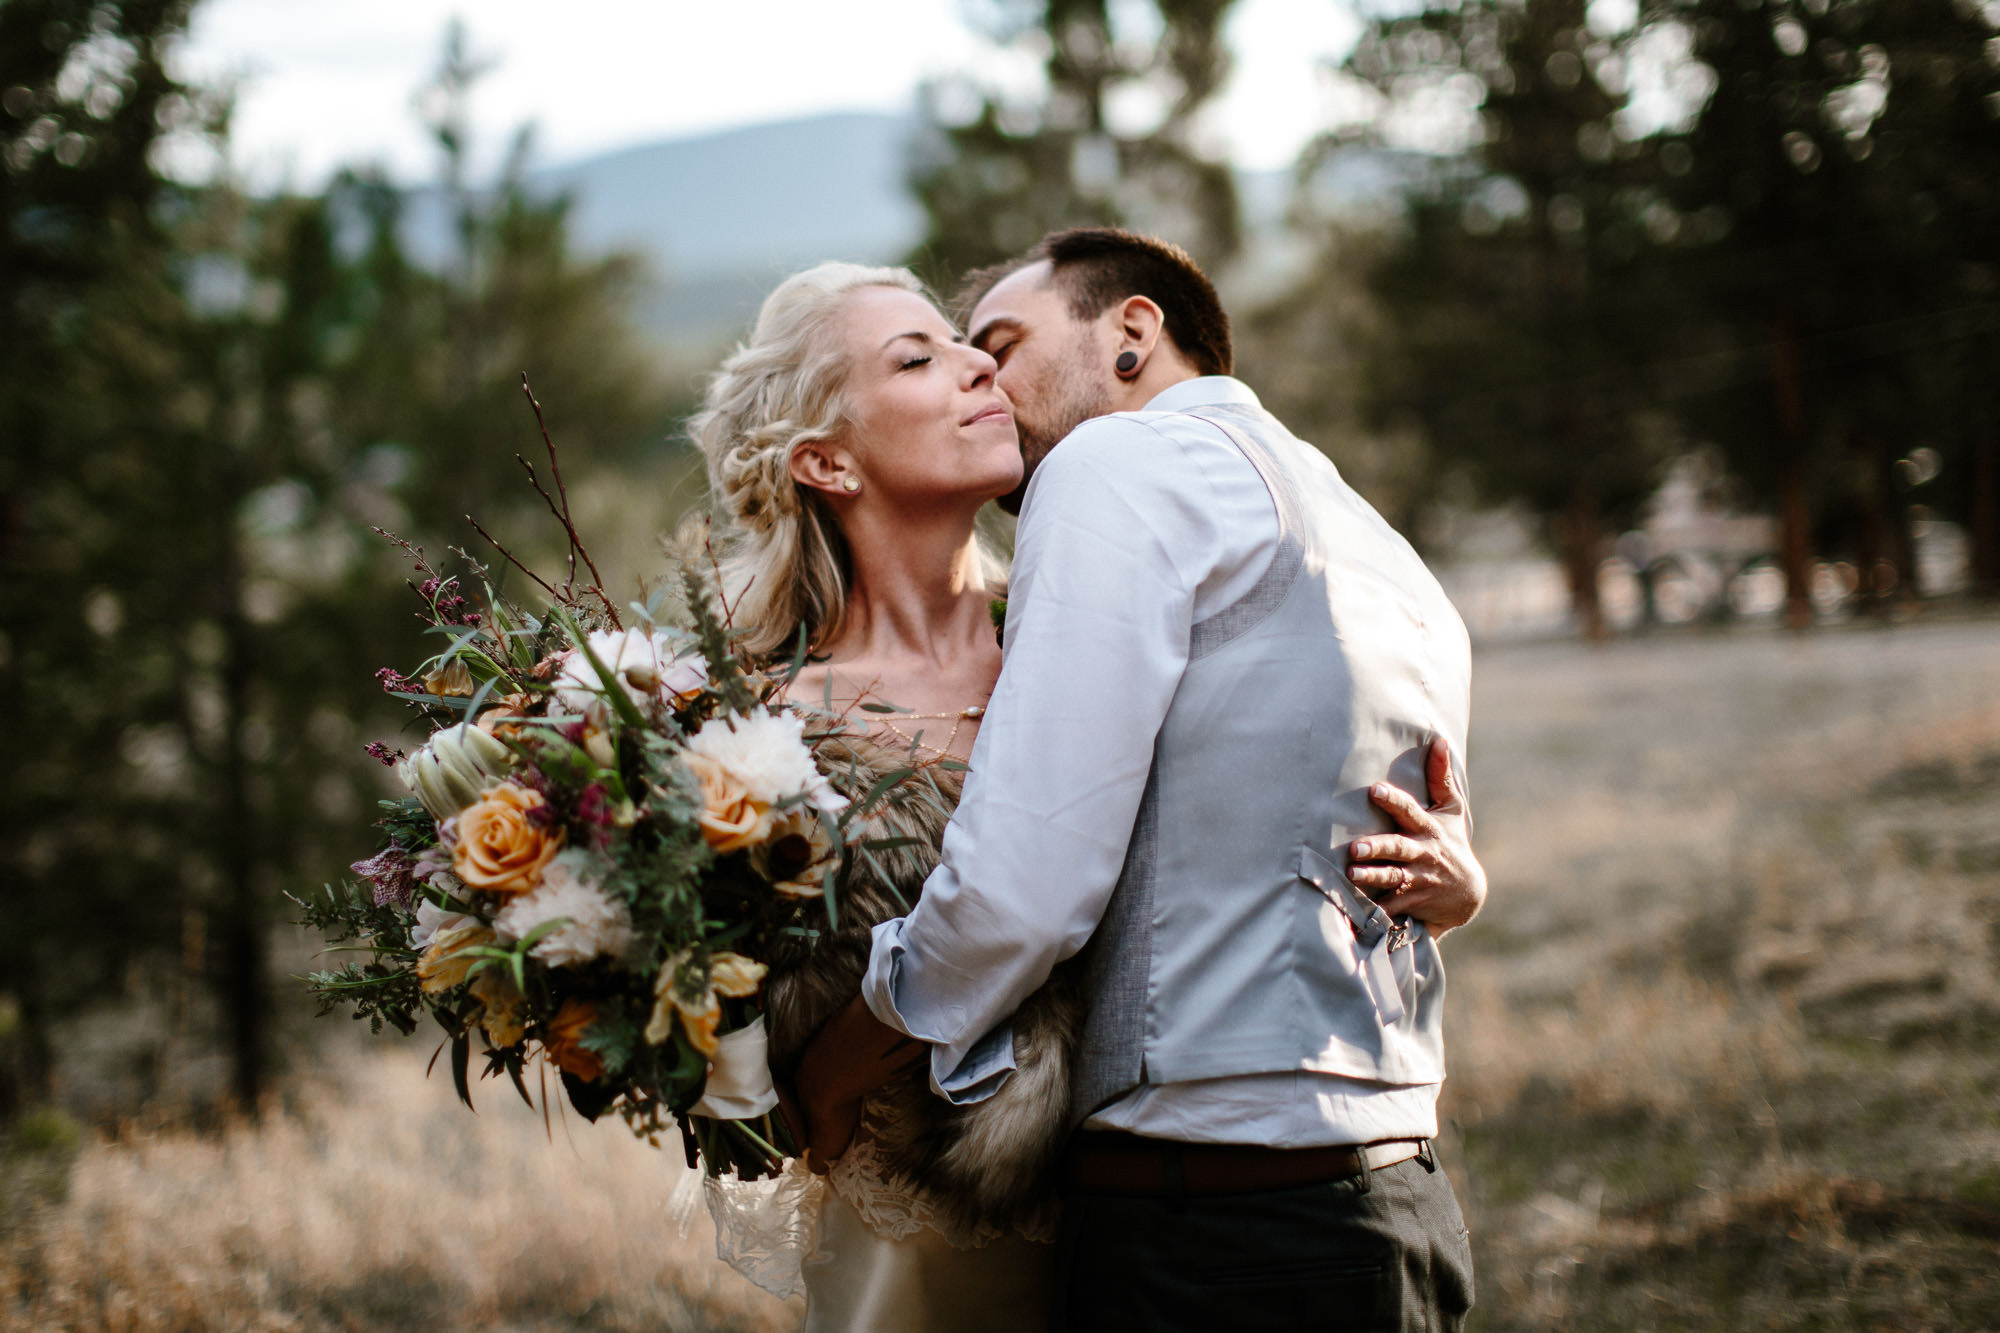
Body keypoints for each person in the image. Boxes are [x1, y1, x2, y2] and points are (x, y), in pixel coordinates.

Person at [695, 255, 1482, 1331]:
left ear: (1132, 333)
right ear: (824, 461)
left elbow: (1044, 884)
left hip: (1159, 1209)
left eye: (992, 343)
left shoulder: (1077, 615)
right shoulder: (752, 727)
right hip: (936, 1251)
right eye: (925, 355)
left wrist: (834, 1065)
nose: (976, 368)